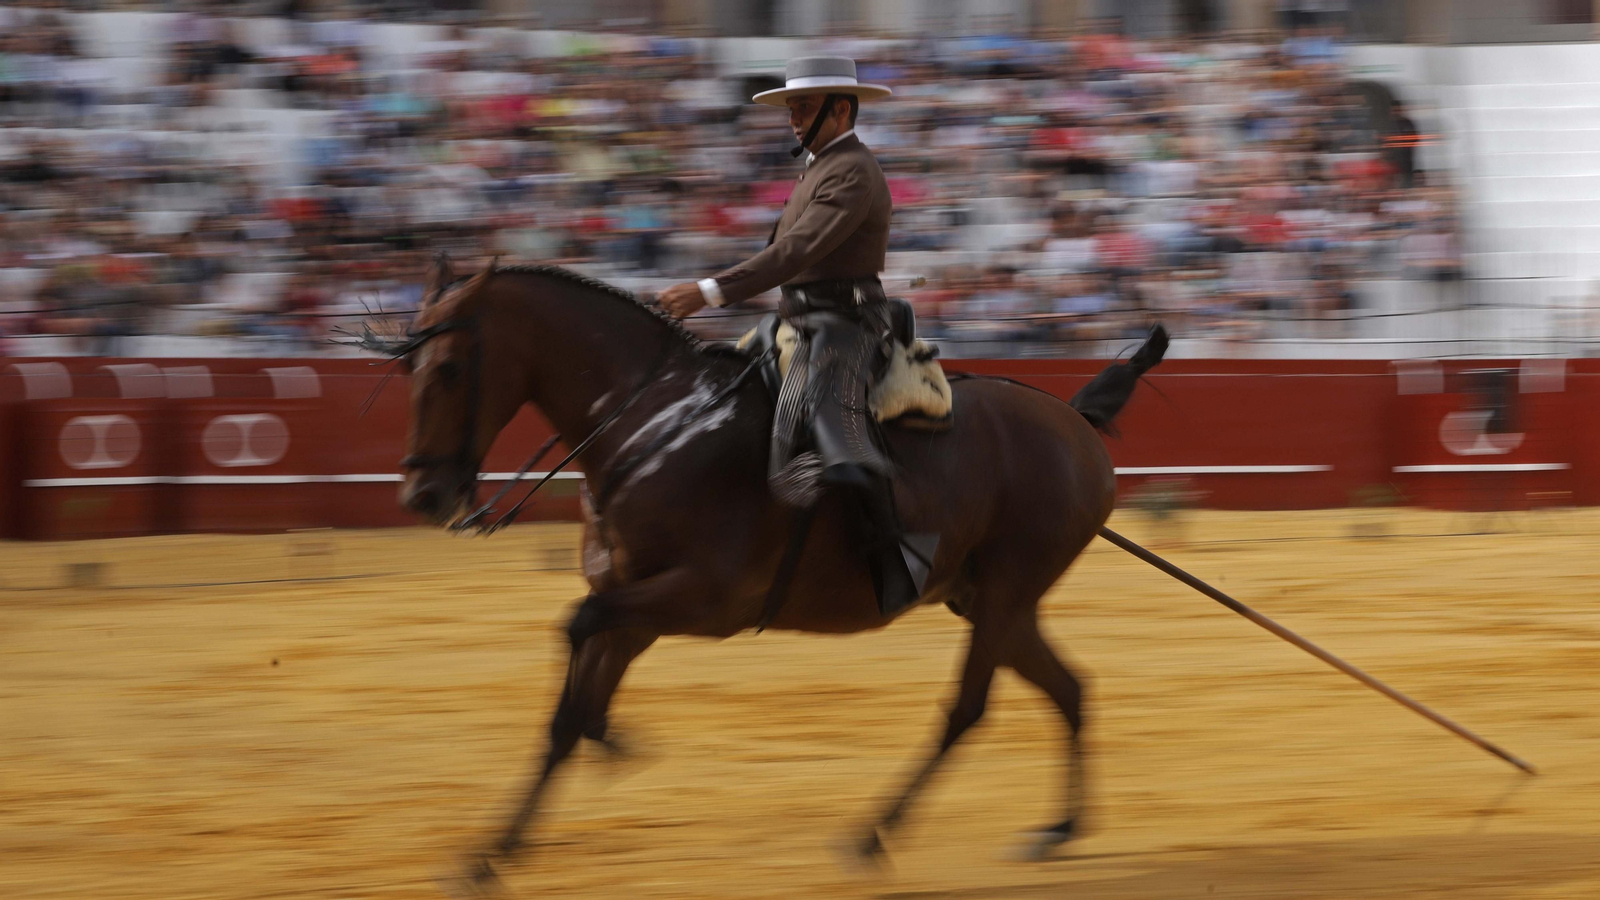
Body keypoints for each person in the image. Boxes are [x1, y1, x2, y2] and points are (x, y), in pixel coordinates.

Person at [658, 56, 931, 617]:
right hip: (797, 321)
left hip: (847, 325)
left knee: (838, 437)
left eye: (802, 106)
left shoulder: (852, 170)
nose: (792, 117)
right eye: (791, 107)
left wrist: (711, 291)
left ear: (841, 109)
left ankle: (900, 560)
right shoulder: (820, 167)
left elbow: (794, 253)